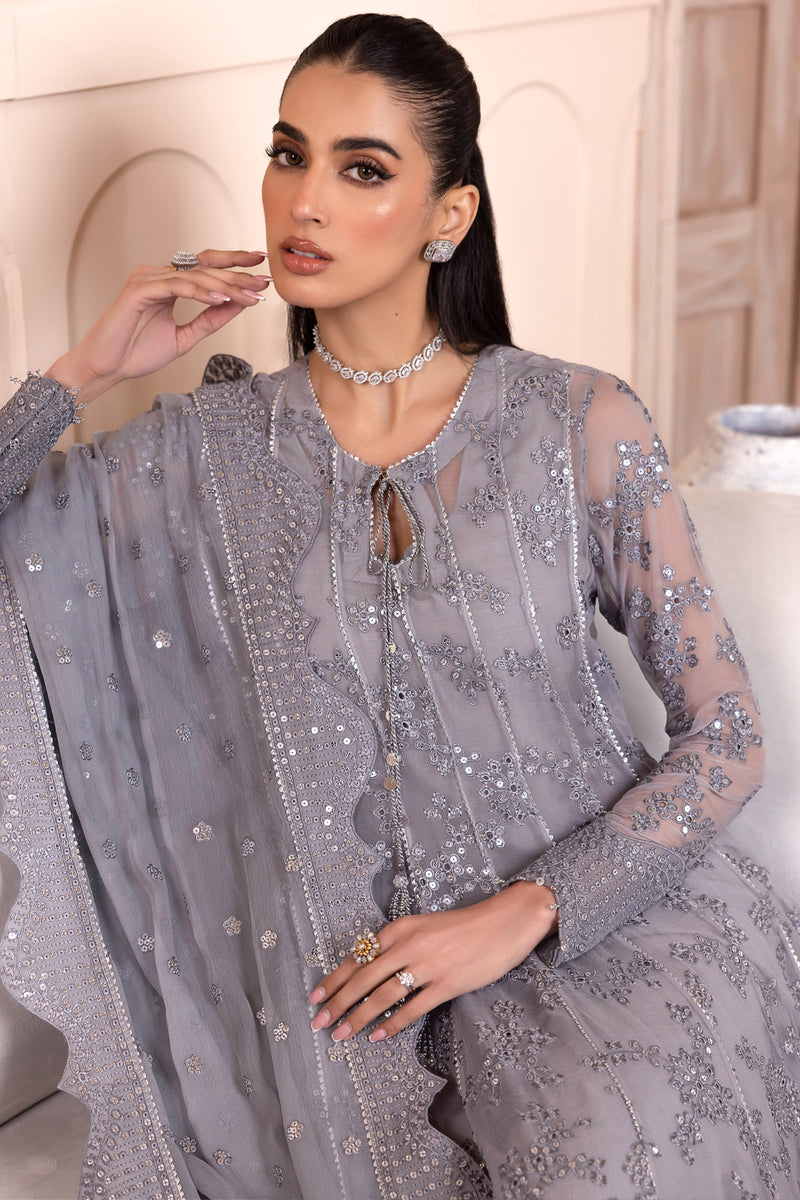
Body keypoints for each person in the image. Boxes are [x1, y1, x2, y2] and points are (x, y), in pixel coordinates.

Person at [0, 13, 797, 1200]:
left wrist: (527, 912)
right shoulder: (198, 458)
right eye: (288, 154)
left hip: (602, 933)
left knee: (599, 1156)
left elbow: (725, 736)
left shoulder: (575, 421)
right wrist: (85, 372)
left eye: (360, 169)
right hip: (341, 989)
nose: (304, 200)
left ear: (447, 214)